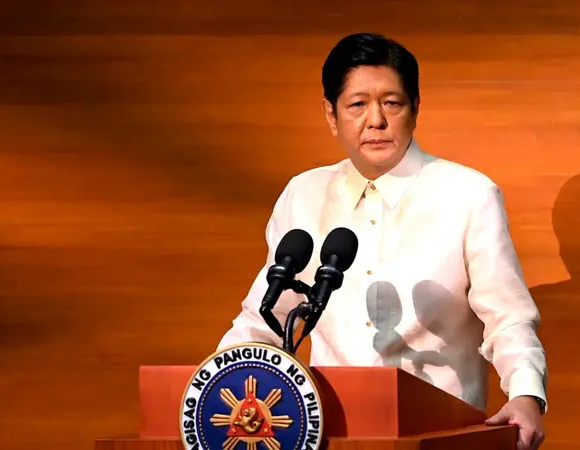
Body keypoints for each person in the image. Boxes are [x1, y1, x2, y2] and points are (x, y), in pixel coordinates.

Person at [217, 32, 547, 450]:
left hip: (437, 434)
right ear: (331, 115)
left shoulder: (467, 195)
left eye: (392, 103)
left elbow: (508, 318)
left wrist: (525, 392)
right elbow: (266, 320)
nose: (376, 120)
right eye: (357, 105)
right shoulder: (304, 195)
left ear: (415, 109)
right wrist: (213, 385)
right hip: (326, 435)